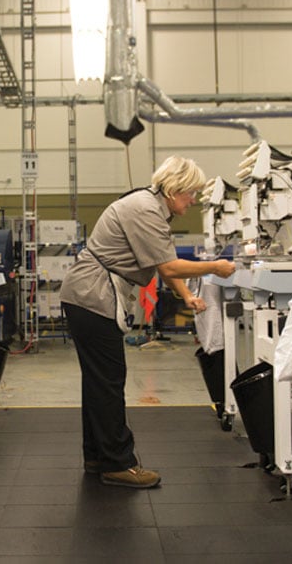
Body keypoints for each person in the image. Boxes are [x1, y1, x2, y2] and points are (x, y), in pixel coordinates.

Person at [59, 156, 237, 488]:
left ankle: (98, 456)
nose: (194, 200)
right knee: (110, 380)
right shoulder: (145, 209)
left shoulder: (150, 206)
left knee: (99, 382)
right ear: (175, 189)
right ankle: (118, 463)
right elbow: (169, 267)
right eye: (191, 193)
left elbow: (161, 263)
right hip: (92, 295)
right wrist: (215, 267)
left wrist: (186, 296)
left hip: (88, 294)